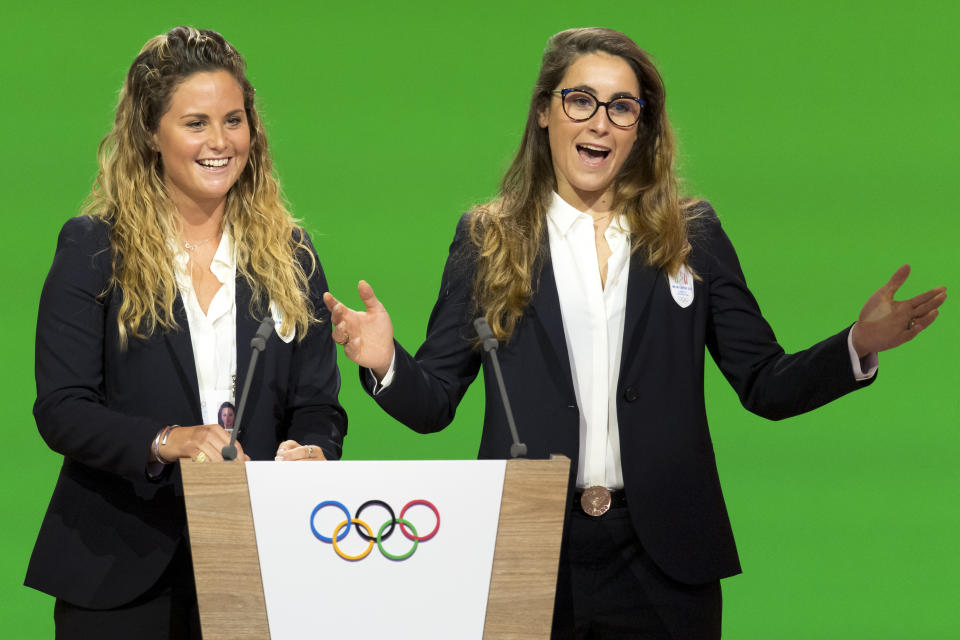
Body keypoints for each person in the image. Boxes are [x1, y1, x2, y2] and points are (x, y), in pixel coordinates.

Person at [323, 27, 946, 639]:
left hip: (667, 558)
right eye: (581, 100)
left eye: (622, 107)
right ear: (545, 112)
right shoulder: (489, 237)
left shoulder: (691, 234)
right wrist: (385, 363)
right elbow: (433, 403)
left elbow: (764, 382)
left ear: (642, 126)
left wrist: (858, 345)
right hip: (527, 548)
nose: (600, 122)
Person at [25, 27, 346, 639]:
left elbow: (317, 406)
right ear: (151, 132)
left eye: (234, 120)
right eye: (195, 123)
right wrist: (166, 439)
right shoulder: (95, 249)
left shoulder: (289, 255)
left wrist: (311, 451)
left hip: (258, 565)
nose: (220, 142)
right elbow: (62, 410)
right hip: (119, 569)